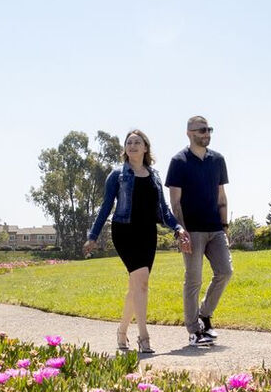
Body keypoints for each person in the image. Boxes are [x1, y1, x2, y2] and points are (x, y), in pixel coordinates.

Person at [83, 129, 178, 356]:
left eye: (137, 142)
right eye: (129, 143)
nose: (133, 146)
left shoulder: (154, 176)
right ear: (125, 149)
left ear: (145, 148)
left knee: (135, 287)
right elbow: (105, 207)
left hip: (148, 233)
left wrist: (178, 227)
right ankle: (144, 337)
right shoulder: (117, 175)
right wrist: (93, 236)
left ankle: (121, 331)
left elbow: (164, 209)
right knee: (142, 282)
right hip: (124, 232)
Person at [166, 114, 231, 346]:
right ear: (189, 133)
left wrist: (225, 226)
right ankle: (194, 331)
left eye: (209, 129)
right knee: (193, 280)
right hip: (192, 231)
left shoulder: (218, 160)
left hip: (215, 228)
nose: (206, 133)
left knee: (225, 272)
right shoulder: (179, 161)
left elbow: (221, 196)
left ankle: (204, 314)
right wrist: (181, 232)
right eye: (202, 130)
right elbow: (175, 203)